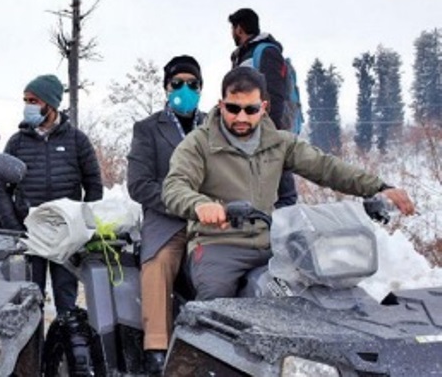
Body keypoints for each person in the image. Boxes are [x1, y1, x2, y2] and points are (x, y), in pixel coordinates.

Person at [162, 67, 415, 302]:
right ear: (221, 104)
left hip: (271, 243)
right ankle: (199, 337)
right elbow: (175, 185)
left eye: (250, 109)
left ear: (263, 107)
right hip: (218, 244)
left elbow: (326, 167)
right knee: (216, 302)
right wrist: (200, 205)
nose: (241, 117)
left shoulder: (280, 142)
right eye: (233, 108)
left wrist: (379, 187)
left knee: (321, 292)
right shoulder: (199, 143)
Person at [0, 74, 103, 315]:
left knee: (66, 299)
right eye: (25, 100)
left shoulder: (77, 140)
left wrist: (84, 225)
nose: (28, 106)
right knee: (29, 301)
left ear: (51, 104)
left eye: (33, 101)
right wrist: (14, 227)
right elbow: (1, 189)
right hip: (30, 236)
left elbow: (94, 185)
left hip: (65, 235)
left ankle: (67, 337)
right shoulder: (17, 143)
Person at [126, 55, 206, 375]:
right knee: (157, 265)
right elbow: (139, 184)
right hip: (167, 220)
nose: (185, 89)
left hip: (211, 219)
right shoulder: (148, 129)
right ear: (166, 87)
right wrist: (183, 203)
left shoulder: (215, 126)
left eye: (193, 84)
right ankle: (156, 350)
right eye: (178, 83)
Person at [229, 7, 298, 208]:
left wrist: (270, 128)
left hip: (267, 125)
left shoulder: (266, 52)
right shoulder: (243, 55)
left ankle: (287, 216)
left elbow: (275, 92)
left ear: (239, 28)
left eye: (232, 29)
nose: (232, 33)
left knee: (279, 171)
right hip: (249, 126)